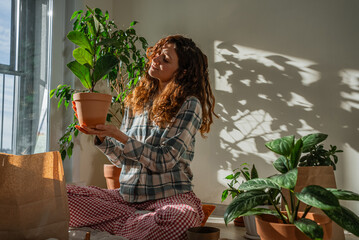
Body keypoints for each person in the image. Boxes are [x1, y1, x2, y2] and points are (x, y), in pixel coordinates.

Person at [67, 35, 217, 240]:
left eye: (165, 59)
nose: (155, 60)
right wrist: (103, 138)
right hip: (126, 198)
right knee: (62, 198)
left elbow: (164, 160)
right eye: (157, 54)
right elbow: (123, 160)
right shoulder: (137, 100)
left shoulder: (190, 104)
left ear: (181, 72)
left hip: (169, 198)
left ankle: (126, 225)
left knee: (181, 219)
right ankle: (137, 222)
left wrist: (118, 135)